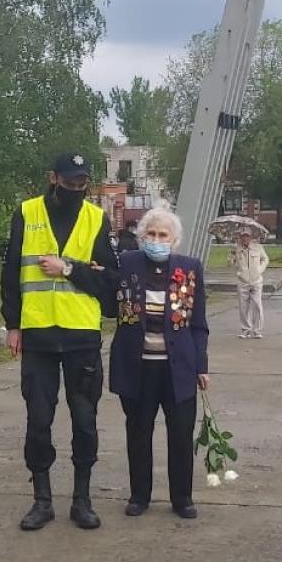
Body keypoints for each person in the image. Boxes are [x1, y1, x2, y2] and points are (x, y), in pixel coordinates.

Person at [0, 152, 118, 532]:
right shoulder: (27, 213)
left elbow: (108, 280)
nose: (76, 189)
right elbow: (9, 272)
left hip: (81, 336)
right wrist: (13, 325)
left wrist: (68, 269)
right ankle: (42, 500)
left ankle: (82, 500)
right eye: (69, 183)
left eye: (82, 183)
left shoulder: (96, 218)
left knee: (85, 422)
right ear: (53, 178)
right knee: (38, 421)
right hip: (37, 338)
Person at [109, 202, 210, 519]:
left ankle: (182, 498)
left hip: (177, 367)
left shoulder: (190, 268)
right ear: (141, 236)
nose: (156, 239)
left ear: (174, 239)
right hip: (137, 365)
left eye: (162, 234)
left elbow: (198, 324)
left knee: (180, 434)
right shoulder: (127, 263)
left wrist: (201, 366)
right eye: (150, 233)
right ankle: (140, 495)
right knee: (138, 432)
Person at [229, 229, 269, 339]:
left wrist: (259, 270)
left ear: (251, 237)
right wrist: (232, 255)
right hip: (243, 281)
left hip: (256, 281)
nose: (244, 238)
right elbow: (230, 263)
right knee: (243, 306)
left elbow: (265, 259)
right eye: (242, 236)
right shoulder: (237, 248)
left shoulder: (258, 247)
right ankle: (245, 329)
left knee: (257, 305)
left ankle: (257, 330)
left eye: (247, 236)